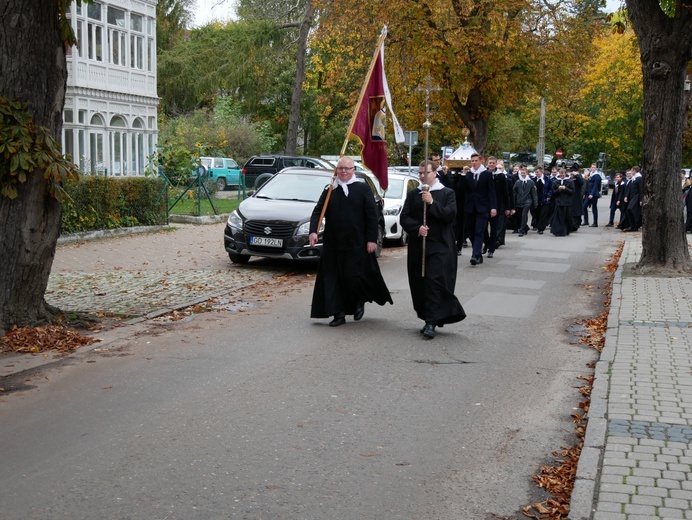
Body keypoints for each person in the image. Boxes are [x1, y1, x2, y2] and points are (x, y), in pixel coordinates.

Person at [309, 157, 392, 326]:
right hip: (333, 243)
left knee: (352, 276)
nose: (344, 172)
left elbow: (371, 216)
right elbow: (318, 211)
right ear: (336, 171)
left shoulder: (363, 189)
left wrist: (371, 239)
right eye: (340, 169)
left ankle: (358, 301)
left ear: (353, 170)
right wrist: (313, 231)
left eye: (347, 168)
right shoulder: (330, 190)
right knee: (334, 278)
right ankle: (338, 314)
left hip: (357, 243)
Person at [400, 160, 465, 339]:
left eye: (425, 173)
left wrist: (431, 202)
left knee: (434, 282)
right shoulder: (414, 194)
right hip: (419, 247)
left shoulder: (447, 193)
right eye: (420, 173)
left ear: (435, 173)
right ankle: (428, 317)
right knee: (420, 283)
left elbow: (449, 216)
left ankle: (431, 322)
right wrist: (417, 228)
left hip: (441, 247)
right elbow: (404, 218)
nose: (422, 176)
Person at [463, 153, 497, 265]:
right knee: (471, 232)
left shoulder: (486, 174)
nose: (474, 163)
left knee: (479, 231)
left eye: (476, 160)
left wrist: (493, 207)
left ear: (480, 161)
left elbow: (492, 192)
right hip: (470, 208)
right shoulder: (468, 174)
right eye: (472, 161)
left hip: (482, 207)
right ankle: (477, 254)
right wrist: (463, 176)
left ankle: (475, 255)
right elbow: (462, 190)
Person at [513, 168, 538, 236]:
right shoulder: (518, 182)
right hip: (519, 201)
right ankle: (525, 227)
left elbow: (534, 193)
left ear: (527, 173)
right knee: (520, 216)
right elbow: (514, 192)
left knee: (524, 214)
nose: (523, 174)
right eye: (522, 173)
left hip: (527, 201)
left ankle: (521, 230)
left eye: (524, 173)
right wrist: (513, 202)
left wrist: (535, 203)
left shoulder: (531, 182)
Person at [551, 168, 574, 237]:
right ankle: (558, 231)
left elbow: (572, 192)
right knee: (558, 218)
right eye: (560, 174)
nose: (562, 175)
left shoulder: (570, 181)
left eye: (563, 174)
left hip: (567, 202)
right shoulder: (556, 182)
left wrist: (565, 188)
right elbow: (553, 193)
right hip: (559, 202)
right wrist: (559, 190)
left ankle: (567, 230)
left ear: (565, 174)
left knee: (567, 217)